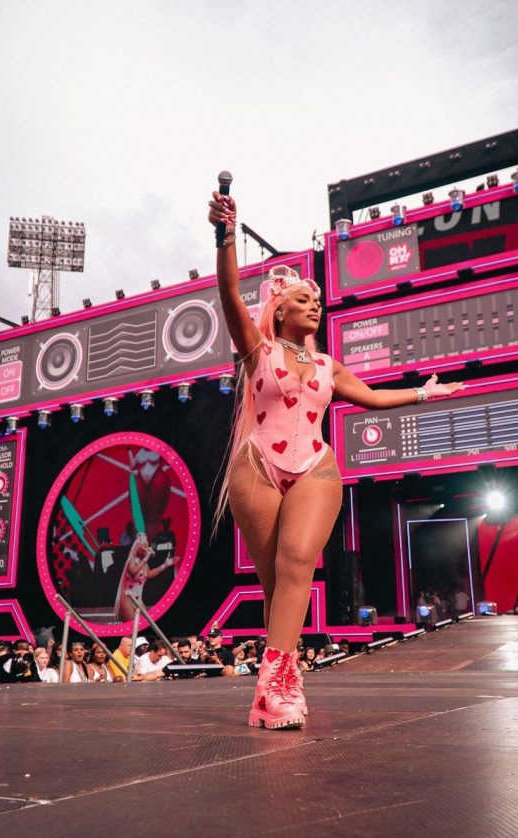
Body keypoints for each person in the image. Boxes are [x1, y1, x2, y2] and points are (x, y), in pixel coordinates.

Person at [208, 189, 465, 729]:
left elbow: (373, 397)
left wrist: (425, 393)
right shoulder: (258, 349)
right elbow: (229, 292)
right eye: (303, 300)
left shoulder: (329, 366)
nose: (315, 306)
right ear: (279, 310)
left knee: (298, 561)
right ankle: (279, 684)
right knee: (277, 584)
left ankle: (275, 683)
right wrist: (225, 235)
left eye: (317, 301)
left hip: (315, 466)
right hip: (258, 466)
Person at [115, 533, 180, 622]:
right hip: (128, 601)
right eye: (145, 546)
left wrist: (165, 565)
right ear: (137, 548)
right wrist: (146, 558)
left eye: (147, 546)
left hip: (138, 600)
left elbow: (149, 574)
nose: (147, 548)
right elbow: (133, 572)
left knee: (146, 624)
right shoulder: (132, 561)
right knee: (132, 627)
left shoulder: (143, 563)